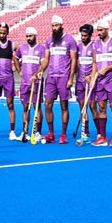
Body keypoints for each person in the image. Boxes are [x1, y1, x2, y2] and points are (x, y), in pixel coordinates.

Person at [37, 14, 78, 143]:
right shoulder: (49, 41)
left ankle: (63, 134)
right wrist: (40, 70)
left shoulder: (70, 40)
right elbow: (46, 59)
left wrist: (71, 78)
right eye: (52, 26)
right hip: (51, 77)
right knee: (48, 104)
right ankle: (51, 133)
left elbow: (74, 60)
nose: (54, 28)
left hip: (64, 77)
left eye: (56, 25)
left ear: (61, 26)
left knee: (63, 105)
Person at [93, 20, 112, 147]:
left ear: (107, 29)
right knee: (102, 108)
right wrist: (93, 76)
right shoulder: (95, 45)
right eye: (98, 30)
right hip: (100, 81)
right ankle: (103, 137)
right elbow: (95, 63)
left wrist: (107, 69)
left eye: (101, 30)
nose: (99, 33)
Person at [16, 27, 46, 139]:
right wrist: (19, 71)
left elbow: (43, 64)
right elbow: (15, 58)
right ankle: (25, 132)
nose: (28, 38)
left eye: (30, 36)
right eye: (27, 36)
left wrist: (37, 73)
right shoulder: (22, 48)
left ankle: (37, 132)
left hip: (36, 83)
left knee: (36, 107)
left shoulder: (41, 49)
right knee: (24, 108)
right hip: (24, 83)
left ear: (35, 36)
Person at [75, 24, 97, 143]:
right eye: (81, 35)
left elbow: (96, 63)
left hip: (91, 81)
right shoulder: (78, 47)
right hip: (80, 81)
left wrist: (91, 76)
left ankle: (100, 133)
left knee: (93, 106)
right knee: (83, 107)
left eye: (85, 35)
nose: (83, 37)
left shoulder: (94, 47)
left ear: (90, 35)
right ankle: (86, 133)